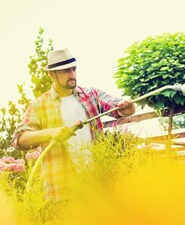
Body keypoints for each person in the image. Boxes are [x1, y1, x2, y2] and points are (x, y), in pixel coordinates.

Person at [11, 48, 136, 199]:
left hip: (97, 184)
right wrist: (51, 133)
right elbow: (19, 140)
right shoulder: (40, 106)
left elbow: (122, 109)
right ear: (52, 74)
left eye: (73, 69)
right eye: (65, 71)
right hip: (62, 191)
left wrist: (127, 106)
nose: (72, 75)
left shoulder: (91, 95)